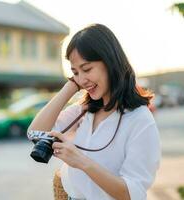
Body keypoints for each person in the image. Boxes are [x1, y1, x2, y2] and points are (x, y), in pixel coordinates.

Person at [28, 24, 161, 200]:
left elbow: (132, 193)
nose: (82, 79)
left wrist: (81, 161)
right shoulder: (84, 111)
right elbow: (34, 132)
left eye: (87, 69)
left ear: (110, 62)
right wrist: (71, 86)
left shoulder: (140, 119)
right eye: (75, 72)